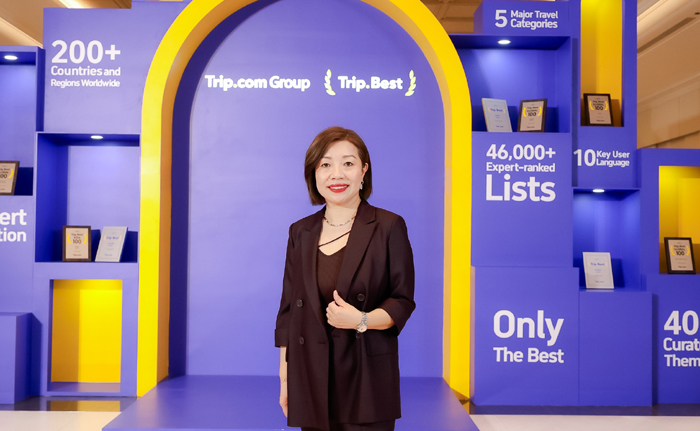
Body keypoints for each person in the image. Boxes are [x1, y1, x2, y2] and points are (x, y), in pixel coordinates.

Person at [275, 126, 416, 431]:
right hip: (311, 379)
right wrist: (286, 380)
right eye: (325, 164)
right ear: (314, 173)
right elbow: (288, 313)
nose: (336, 174)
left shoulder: (389, 226)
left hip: (366, 381)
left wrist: (361, 320)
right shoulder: (300, 231)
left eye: (348, 163)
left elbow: (402, 300)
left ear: (364, 170)